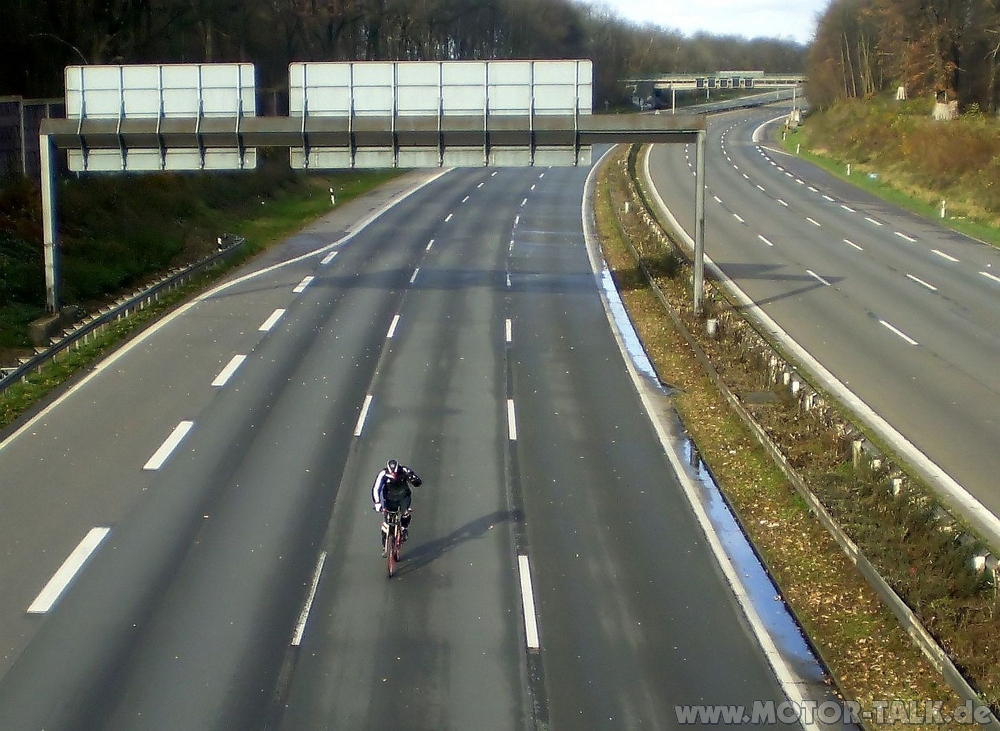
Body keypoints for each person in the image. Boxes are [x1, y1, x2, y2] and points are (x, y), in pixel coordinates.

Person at [371, 458, 422, 556]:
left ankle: (404, 528)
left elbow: (418, 482)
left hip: (404, 497)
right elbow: (376, 488)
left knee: (405, 513)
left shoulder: (404, 471)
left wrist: (413, 478)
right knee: (386, 523)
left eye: (395, 472)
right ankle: (384, 547)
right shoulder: (383, 474)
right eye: (391, 473)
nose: (394, 475)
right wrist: (377, 503)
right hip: (389, 499)